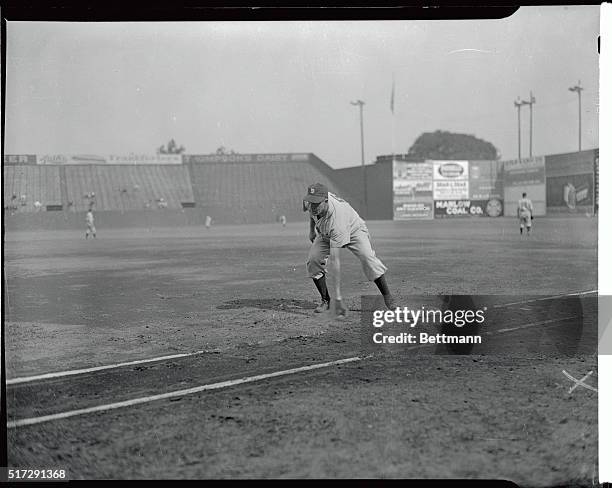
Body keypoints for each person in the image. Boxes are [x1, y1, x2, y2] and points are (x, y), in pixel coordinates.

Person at [303, 182, 395, 317]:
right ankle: (326, 301)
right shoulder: (311, 203)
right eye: (311, 202)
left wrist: (338, 298)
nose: (313, 206)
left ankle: (389, 299)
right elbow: (311, 213)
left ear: (326, 201)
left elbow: (335, 262)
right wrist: (311, 231)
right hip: (326, 233)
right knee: (313, 260)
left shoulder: (336, 218)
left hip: (353, 230)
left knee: (368, 258)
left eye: (316, 203)